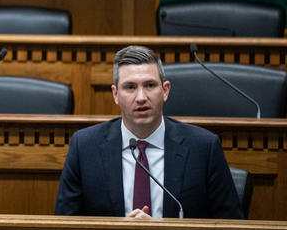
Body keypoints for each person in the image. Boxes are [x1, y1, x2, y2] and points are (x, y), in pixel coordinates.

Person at [54, 45, 243, 219]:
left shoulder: (204, 148)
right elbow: (64, 228)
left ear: (165, 90)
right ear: (115, 95)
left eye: (150, 85)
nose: (141, 97)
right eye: (130, 87)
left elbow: (232, 229)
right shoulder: (85, 147)